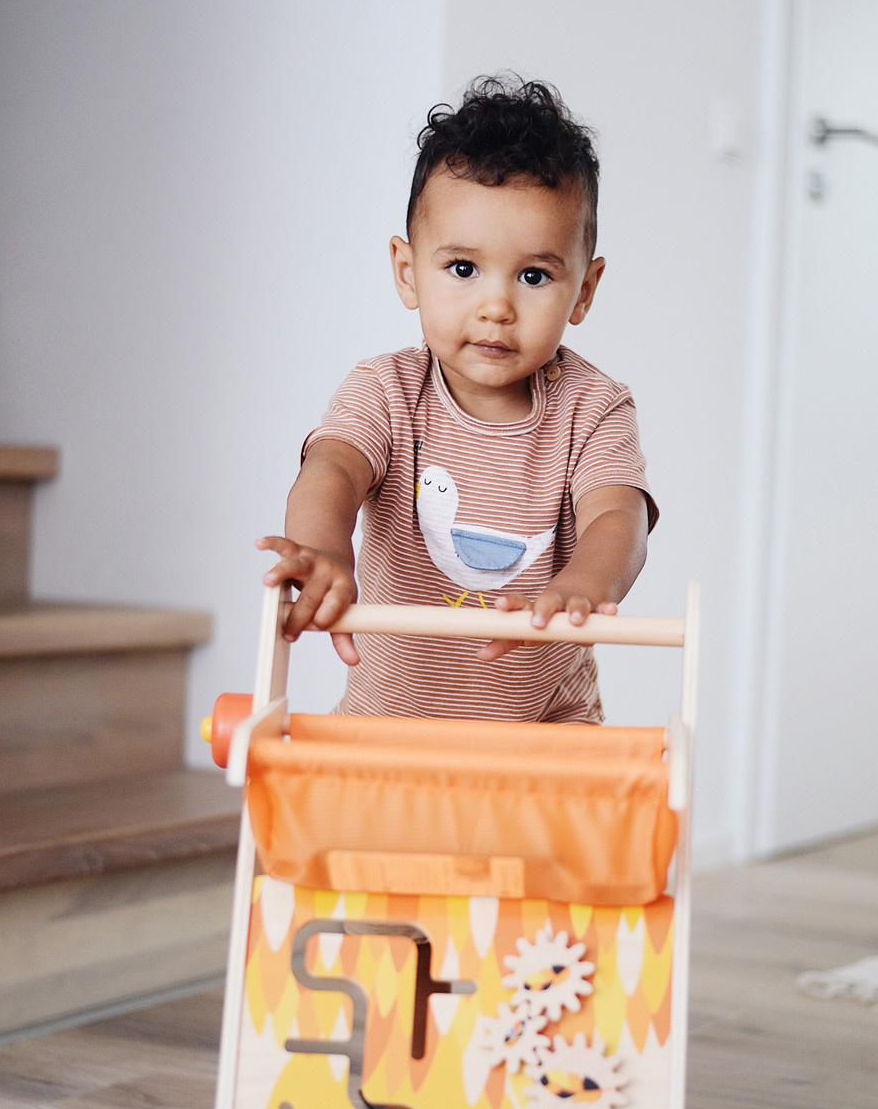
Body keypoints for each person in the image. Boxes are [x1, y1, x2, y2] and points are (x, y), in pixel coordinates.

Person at [257, 75, 657, 724]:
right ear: (408, 272)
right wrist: (325, 549)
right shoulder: (386, 391)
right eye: (463, 269)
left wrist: (583, 585)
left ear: (584, 290)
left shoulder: (594, 408)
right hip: (389, 723)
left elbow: (619, 517)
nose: (496, 307)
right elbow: (331, 469)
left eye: (533, 276)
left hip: (544, 731)